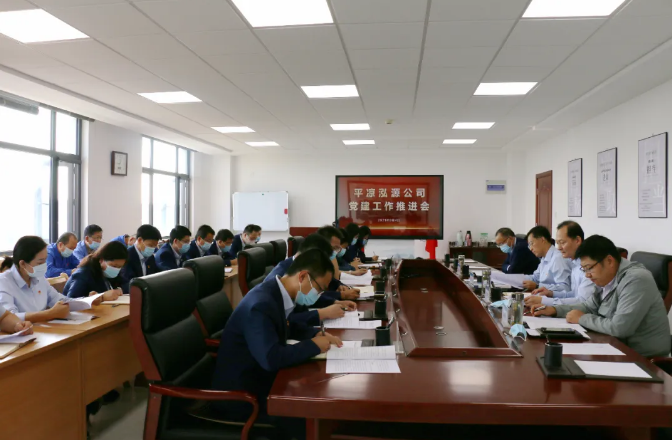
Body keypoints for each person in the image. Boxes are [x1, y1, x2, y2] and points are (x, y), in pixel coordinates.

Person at [212, 249, 342, 437]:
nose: (319, 294)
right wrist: (314, 345)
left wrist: (315, 333)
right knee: (312, 413)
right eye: (319, 288)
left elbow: (286, 326)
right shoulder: (261, 304)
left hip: (261, 380)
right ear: (302, 276)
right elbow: (270, 358)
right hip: (243, 397)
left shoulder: (276, 292)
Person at [534, 235, 670, 357]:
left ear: (609, 261)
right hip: (613, 347)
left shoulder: (636, 279)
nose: (587, 275)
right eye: (584, 269)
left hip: (641, 359)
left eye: (589, 268)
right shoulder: (605, 278)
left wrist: (582, 318)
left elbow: (619, 328)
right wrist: (555, 310)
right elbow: (589, 306)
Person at [0, 236, 103, 322]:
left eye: (45, 261)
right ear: (22, 264)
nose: (44, 265)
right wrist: (49, 314)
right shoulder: (4, 282)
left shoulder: (38, 278)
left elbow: (60, 300)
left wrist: (87, 301)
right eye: (40, 262)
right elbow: (9, 317)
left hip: (43, 331)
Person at [525, 221, 599, 308]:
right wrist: (551, 293)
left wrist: (544, 301)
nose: (559, 248)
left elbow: (582, 301)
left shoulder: (589, 266)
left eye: (562, 242)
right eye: (557, 243)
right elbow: (574, 294)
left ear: (577, 240)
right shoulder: (575, 264)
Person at [522, 226, 571, 292]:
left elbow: (564, 287)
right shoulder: (544, 258)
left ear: (542, 240)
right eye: (529, 246)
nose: (530, 249)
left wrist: (538, 286)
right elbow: (535, 278)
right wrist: (515, 279)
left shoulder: (557, 258)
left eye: (531, 243)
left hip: (554, 297)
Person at [120, 224, 161, 293]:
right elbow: (129, 282)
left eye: (155, 246)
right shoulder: (127, 256)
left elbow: (155, 275)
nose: (153, 249)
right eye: (150, 245)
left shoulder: (150, 257)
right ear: (139, 240)